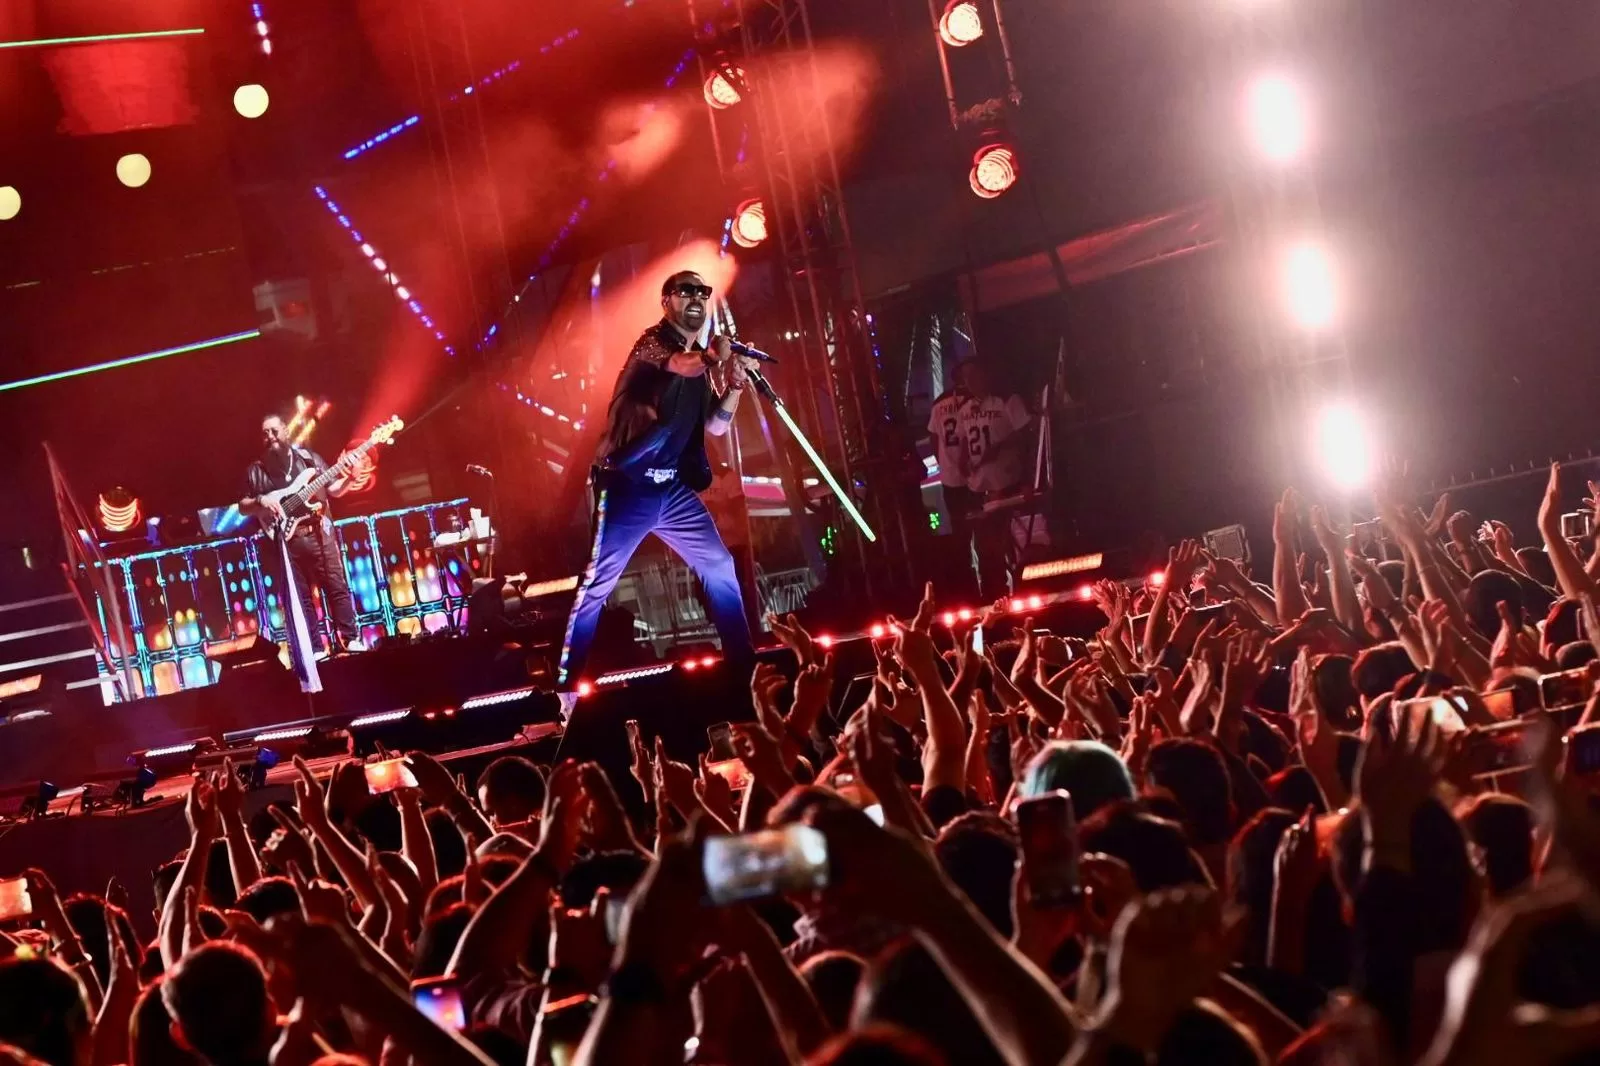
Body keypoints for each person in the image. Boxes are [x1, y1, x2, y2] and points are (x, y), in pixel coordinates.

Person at [556, 270, 759, 686]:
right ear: (667, 301)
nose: (696, 298)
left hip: (671, 489)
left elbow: (716, 426)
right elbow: (680, 365)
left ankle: (743, 667)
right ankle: (566, 685)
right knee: (598, 582)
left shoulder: (700, 363)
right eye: (686, 291)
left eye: (702, 292)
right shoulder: (650, 345)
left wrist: (736, 384)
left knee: (719, 564)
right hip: (628, 485)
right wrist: (712, 357)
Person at [240, 412, 365, 654]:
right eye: (265, 433)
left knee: (337, 587)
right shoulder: (256, 471)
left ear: (286, 431)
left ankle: (350, 639)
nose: (270, 436)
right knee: (301, 598)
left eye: (274, 431)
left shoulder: (309, 459)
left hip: (319, 534)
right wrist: (261, 500)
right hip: (286, 542)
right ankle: (315, 649)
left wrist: (350, 478)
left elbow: (333, 489)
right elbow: (243, 506)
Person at [952, 361, 1034, 599]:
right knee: (985, 547)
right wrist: (963, 460)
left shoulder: (1006, 400)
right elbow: (964, 439)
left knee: (1011, 541)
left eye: (974, 375)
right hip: (979, 486)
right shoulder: (965, 408)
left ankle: (1020, 589)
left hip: (1008, 482)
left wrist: (1001, 447)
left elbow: (1026, 434)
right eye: (966, 378)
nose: (970, 381)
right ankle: (993, 596)